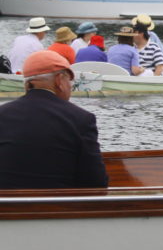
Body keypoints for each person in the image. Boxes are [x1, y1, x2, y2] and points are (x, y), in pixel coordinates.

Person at [0, 50, 108, 189]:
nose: (70, 87)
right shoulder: (81, 119)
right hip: (57, 208)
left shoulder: (2, 114)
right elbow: (96, 183)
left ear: (27, 84)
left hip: (7, 208)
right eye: (70, 81)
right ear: (59, 80)